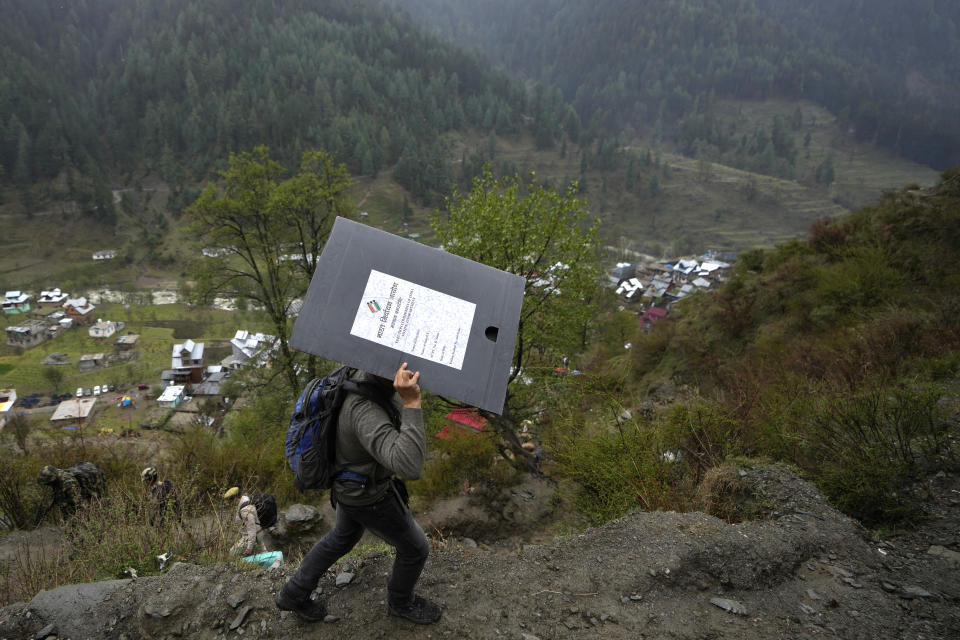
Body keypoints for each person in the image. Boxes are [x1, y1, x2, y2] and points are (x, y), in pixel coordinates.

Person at [275, 362, 440, 625]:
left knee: (342, 537)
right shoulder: (365, 411)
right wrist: (411, 402)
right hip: (367, 496)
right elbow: (409, 465)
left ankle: (293, 593)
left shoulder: (360, 371)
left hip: (349, 486)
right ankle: (401, 602)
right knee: (415, 549)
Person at [36, 462, 105, 517]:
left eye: (46, 483)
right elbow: (57, 491)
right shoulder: (56, 474)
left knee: (96, 508)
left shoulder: (69, 484)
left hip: (94, 484)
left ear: (51, 480)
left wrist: (78, 520)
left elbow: (79, 504)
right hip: (81, 483)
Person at [223, 487, 274, 556]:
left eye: (229, 501)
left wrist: (249, 548)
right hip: (258, 533)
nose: (228, 503)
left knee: (232, 553)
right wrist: (223, 495)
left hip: (251, 536)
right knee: (263, 553)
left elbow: (251, 529)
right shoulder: (245, 498)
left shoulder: (245, 510)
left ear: (235, 499)